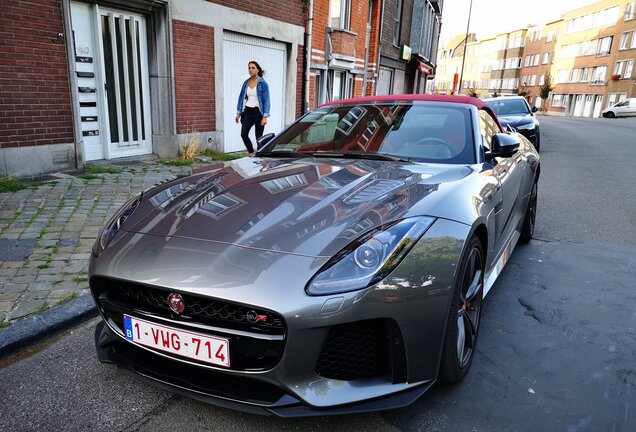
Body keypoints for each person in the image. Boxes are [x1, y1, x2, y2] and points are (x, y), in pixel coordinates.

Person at [235, 61, 270, 156]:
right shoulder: (246, 83)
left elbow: (266, 100)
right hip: (248, 111)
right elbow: (241, 98)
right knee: (244, 134)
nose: (250, 70)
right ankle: (251, 152)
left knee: (258, 137)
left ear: (258, 70)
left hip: (258, 112)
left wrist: (265, 116)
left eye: (253, 68)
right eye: (249, 68)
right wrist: (238, 113)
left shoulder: (263, 83)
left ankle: (261, 155)